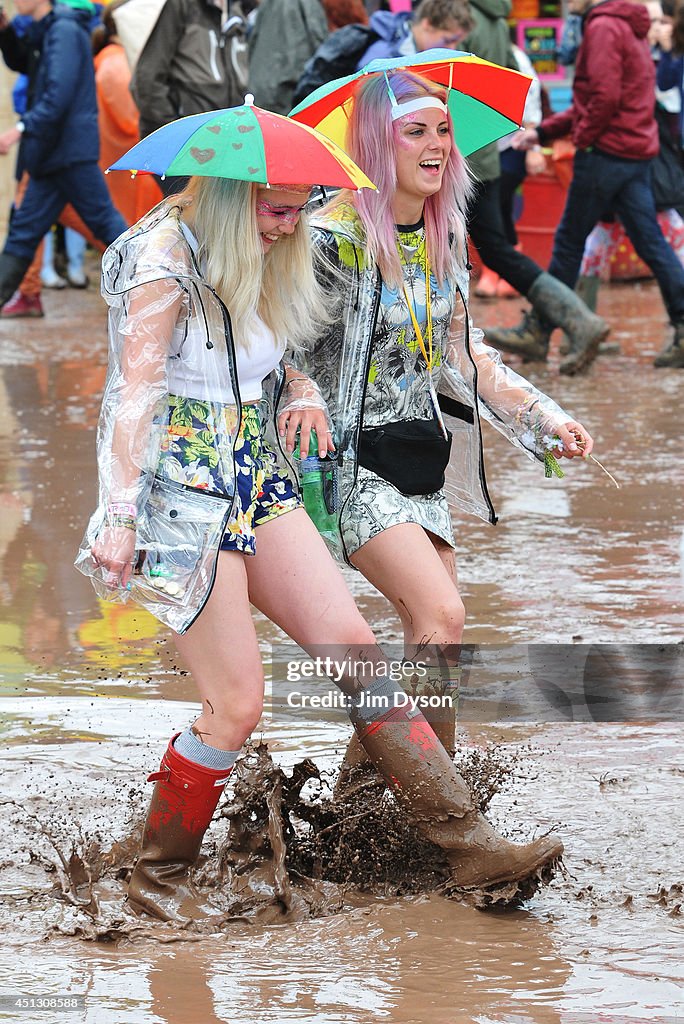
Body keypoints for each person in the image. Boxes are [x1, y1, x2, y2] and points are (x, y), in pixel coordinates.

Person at [76, 163, 565, 920]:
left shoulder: (266, 250)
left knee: (354, 652)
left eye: (299, 212)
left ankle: (470, 850)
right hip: (178, 486)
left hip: (256, 472)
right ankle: (156, 884)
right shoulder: (164, 254)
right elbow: (133, 391)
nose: (286, 226)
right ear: (236, 195)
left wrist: (300, 387)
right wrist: (118, 511)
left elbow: (264, 359)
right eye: (275, 210)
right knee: (237, 706)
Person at [295, 70, 595, 792]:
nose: (436, 146)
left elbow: (465, 358)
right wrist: (300, 391)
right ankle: (445, 816)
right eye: (415, 132)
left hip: (420, 462)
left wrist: (543, 419)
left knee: (434, 645)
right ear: (374, 142)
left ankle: (360, 805)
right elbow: (281, 347)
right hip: (349, 462)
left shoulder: (442, 234)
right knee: (442, 614)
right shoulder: (329, 240)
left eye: (443, 131)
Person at [492, 0, 684, 370]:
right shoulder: (626, 25)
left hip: (605, 155)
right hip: (633, 154)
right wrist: (546, 131)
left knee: (568, 242)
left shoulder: (603, 27)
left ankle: (541, 329)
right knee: (650, 243)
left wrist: (584, 138)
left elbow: (603, 99)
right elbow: (601, 99)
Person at [462, 0, 610, 376]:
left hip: (466, 153)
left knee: (493, 248)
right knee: (496, 248)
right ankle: (563, 324)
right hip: (484, 151)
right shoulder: (495, 21)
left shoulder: (467, 18)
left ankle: (576, 321)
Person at [0, 0, 128, 315]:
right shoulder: (44, 29)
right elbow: (24, 62)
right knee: (22, 235)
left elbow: (59, 94)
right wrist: (4, 31)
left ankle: (161, 286)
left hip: (69, 153)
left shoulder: (65, 30)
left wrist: (20, 128)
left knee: (106, 225)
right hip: (49, 156)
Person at [130, 0, 248, 196]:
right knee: (190, 215)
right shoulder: (182, 5)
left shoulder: (238, 10)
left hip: (224, 146)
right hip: (184, 146)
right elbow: (146, 78)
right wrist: (173, 134)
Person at [293, 0, 472, 105]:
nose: (452, 48)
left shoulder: (409, 47)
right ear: (427, 24)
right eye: (448, 40)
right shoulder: (385, 52)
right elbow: (366, 97)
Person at [92, 0, 163, 226]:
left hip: (126, 164)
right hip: (128, 166)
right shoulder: (116, 62)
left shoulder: (115, 58)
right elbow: (132, 119)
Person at [247, 0, 328, 115]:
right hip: (290, 90)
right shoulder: (309, 4)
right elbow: (321, 44)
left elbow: (252, 43)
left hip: (261, 89)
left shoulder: (266, 5)